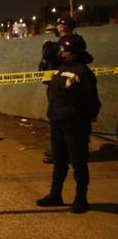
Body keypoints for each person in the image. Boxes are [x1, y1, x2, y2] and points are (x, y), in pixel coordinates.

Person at [36, 35, 100, 214]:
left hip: (75, 126)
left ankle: (81, 199)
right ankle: (55, 195)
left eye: (66, 51)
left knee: (78, 163)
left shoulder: (83, 73)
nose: (62, 53)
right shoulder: (61, 69)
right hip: (57, 123)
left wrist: (81, 120)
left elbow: (91, 102)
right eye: (62, 50)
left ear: (76, 52)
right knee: (59, 161)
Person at [40, 15, 92, 164]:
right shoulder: (67, 42)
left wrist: (47, 46)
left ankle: (63, 153)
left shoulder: (71, 42)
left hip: (65, 86)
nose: (57, 28)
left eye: (59, 25)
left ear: (63, 27)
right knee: (59, 118)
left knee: (64, 119)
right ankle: (61, 151)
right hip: (60, 84)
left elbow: (50, 55)